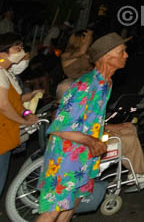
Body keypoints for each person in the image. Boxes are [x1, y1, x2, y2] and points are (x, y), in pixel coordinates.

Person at [36, 33, 127, 221]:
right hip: (66, 156)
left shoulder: (106, 83)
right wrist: (91, 140)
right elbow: (59, 127)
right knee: (52, 211)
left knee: (72, 205)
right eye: (122, 52)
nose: (126, 55)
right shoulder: (85, 86)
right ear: (106, 57)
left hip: (86, 154)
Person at [0, 33, 41, 200]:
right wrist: (23, 120)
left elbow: (14, 103)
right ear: (2, 53)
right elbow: (3, 106)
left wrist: (26, 111)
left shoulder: (6, 73)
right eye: (17, 48)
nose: (22, 51)